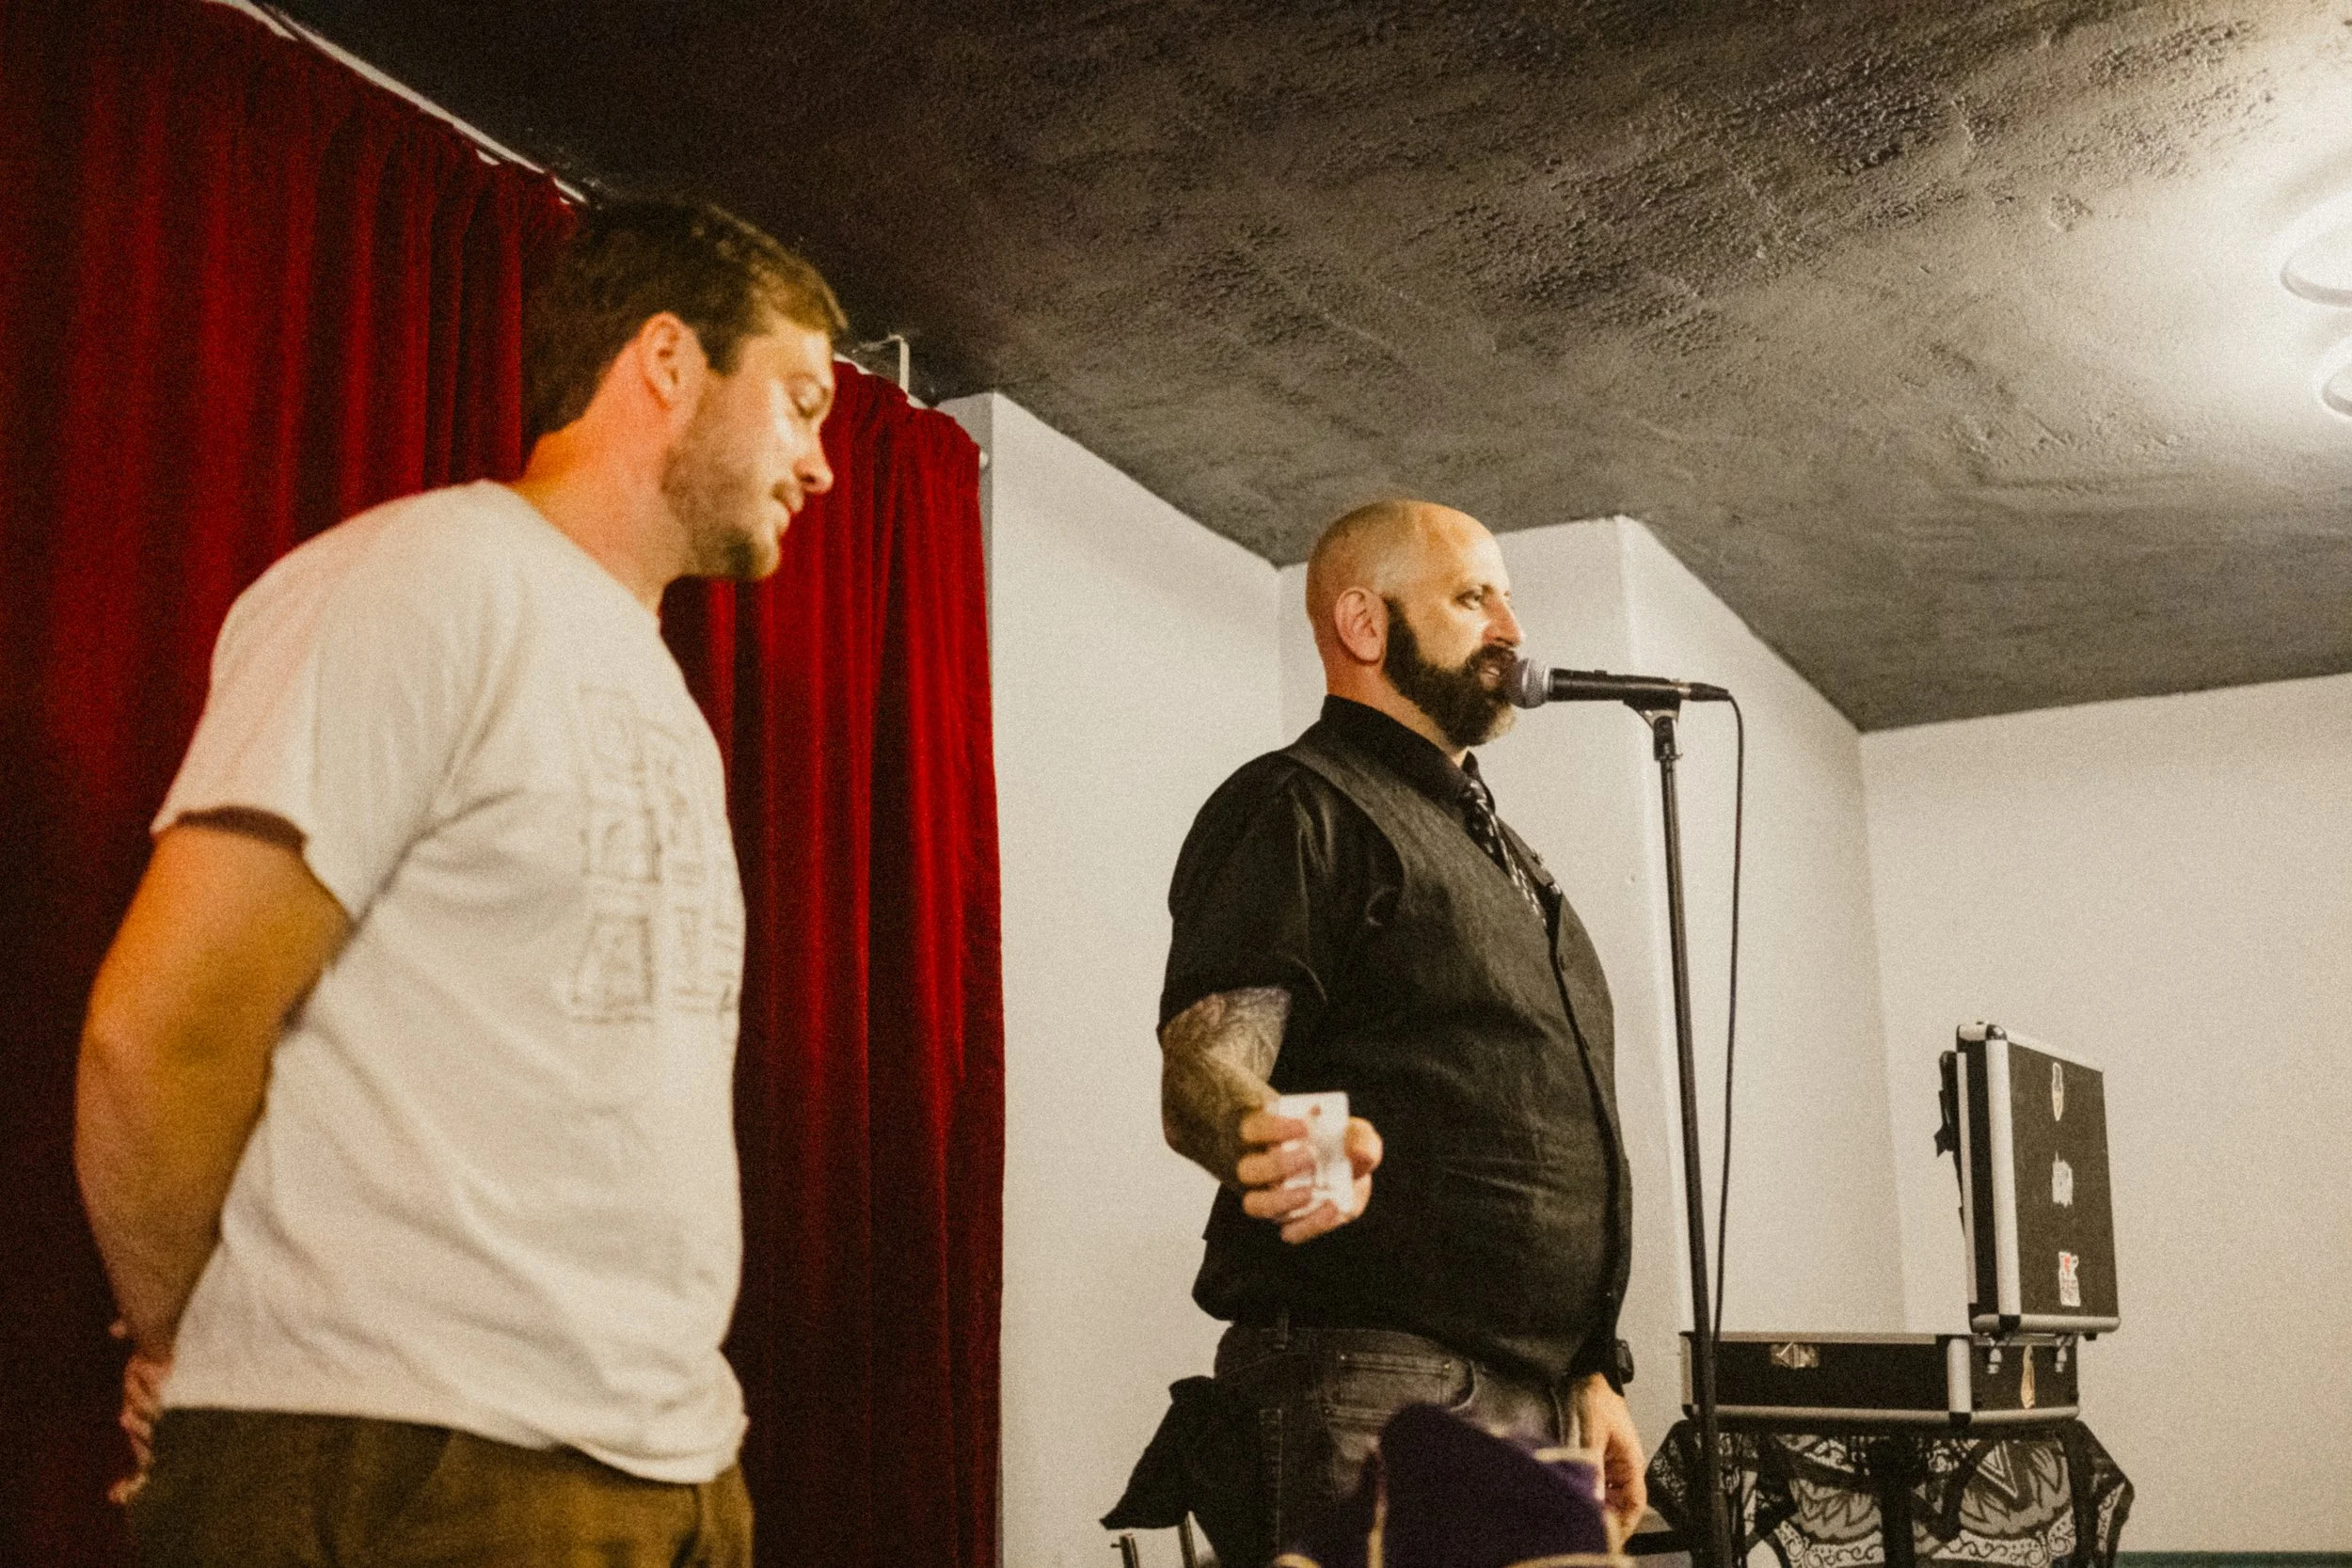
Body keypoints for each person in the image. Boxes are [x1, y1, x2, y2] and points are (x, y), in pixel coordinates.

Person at [72, 198, 844, 1567]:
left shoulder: (655, 683)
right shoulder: (426, 579)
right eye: (798, 401)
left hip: (668, 1469)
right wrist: (209, 1342)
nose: (821, 463)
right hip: (411, 1461)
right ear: (667, 360)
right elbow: (162, 1031)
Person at [1155, 499, 1645, 1567]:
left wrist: (1589, 1372)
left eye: (1508, 597)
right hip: (1385, 1379)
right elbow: (1204, 1061)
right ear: (1365, 624)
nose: (1512, 628)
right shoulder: (1300, 802)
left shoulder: (1505, 854)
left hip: (1535, 1397)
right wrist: (1268, 1134)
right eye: (1472, 597)